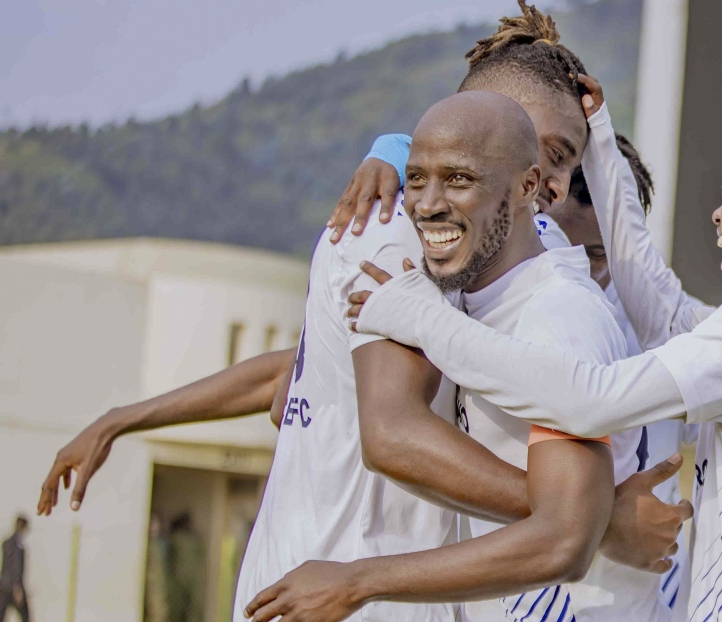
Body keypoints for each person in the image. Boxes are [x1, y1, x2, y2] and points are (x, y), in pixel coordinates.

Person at [38, 4, 691, 621]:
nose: (548, 181)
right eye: (543, 151)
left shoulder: (502, 252)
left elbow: (297, 376)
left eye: (566, 161)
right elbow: (393, 432)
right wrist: (591, 518)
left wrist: (125, 418)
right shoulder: (397, 229)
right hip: (338, 591)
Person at [347, 78, 722, 621]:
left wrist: (418, 316)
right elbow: (663, 308)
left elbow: (588, 399)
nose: (718, 215)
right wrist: (599, 136)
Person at [245, 89, 671, 622]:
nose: (424, 203)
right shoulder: (414, 253)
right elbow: (334, 403)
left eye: (459, 178)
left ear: (527, 184)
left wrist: (586, 516)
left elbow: (564, 536)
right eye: (416, 177)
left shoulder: (557, 308)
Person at [0, 516, 30, 622]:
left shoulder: (6, 543)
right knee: (25, 616)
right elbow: (16, 566)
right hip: (13, 587)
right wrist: (17, 587)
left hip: (3, 585)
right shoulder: (18, 545)